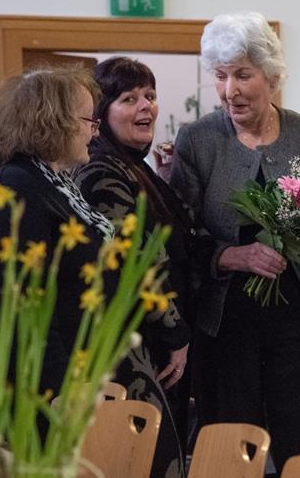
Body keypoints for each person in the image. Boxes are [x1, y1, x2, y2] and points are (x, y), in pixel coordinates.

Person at [168, 11, 300, 475]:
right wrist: (230, 255)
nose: (230, 90)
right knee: (231, 449)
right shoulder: (198, 140)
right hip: (227, 324)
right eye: (220, 77)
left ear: (272, 77)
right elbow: (180, 236)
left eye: (243, 75)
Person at [73, 57, 208, 478]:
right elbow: (130, 263)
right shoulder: (101, 171)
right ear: (100, 113)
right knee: (152, 460)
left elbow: (179, 236)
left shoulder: (134, 168)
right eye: (129, 99)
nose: (146, 106)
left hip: (157, 344)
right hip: (141, 348)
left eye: (149, 96)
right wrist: (175, 333)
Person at [0, 68, 114, 405]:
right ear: (54, 121)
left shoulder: (50, 181)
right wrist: (60, 390)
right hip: (42, 389)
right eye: (88, 120)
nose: (94, 132)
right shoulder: (17, 188)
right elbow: (22, 302)